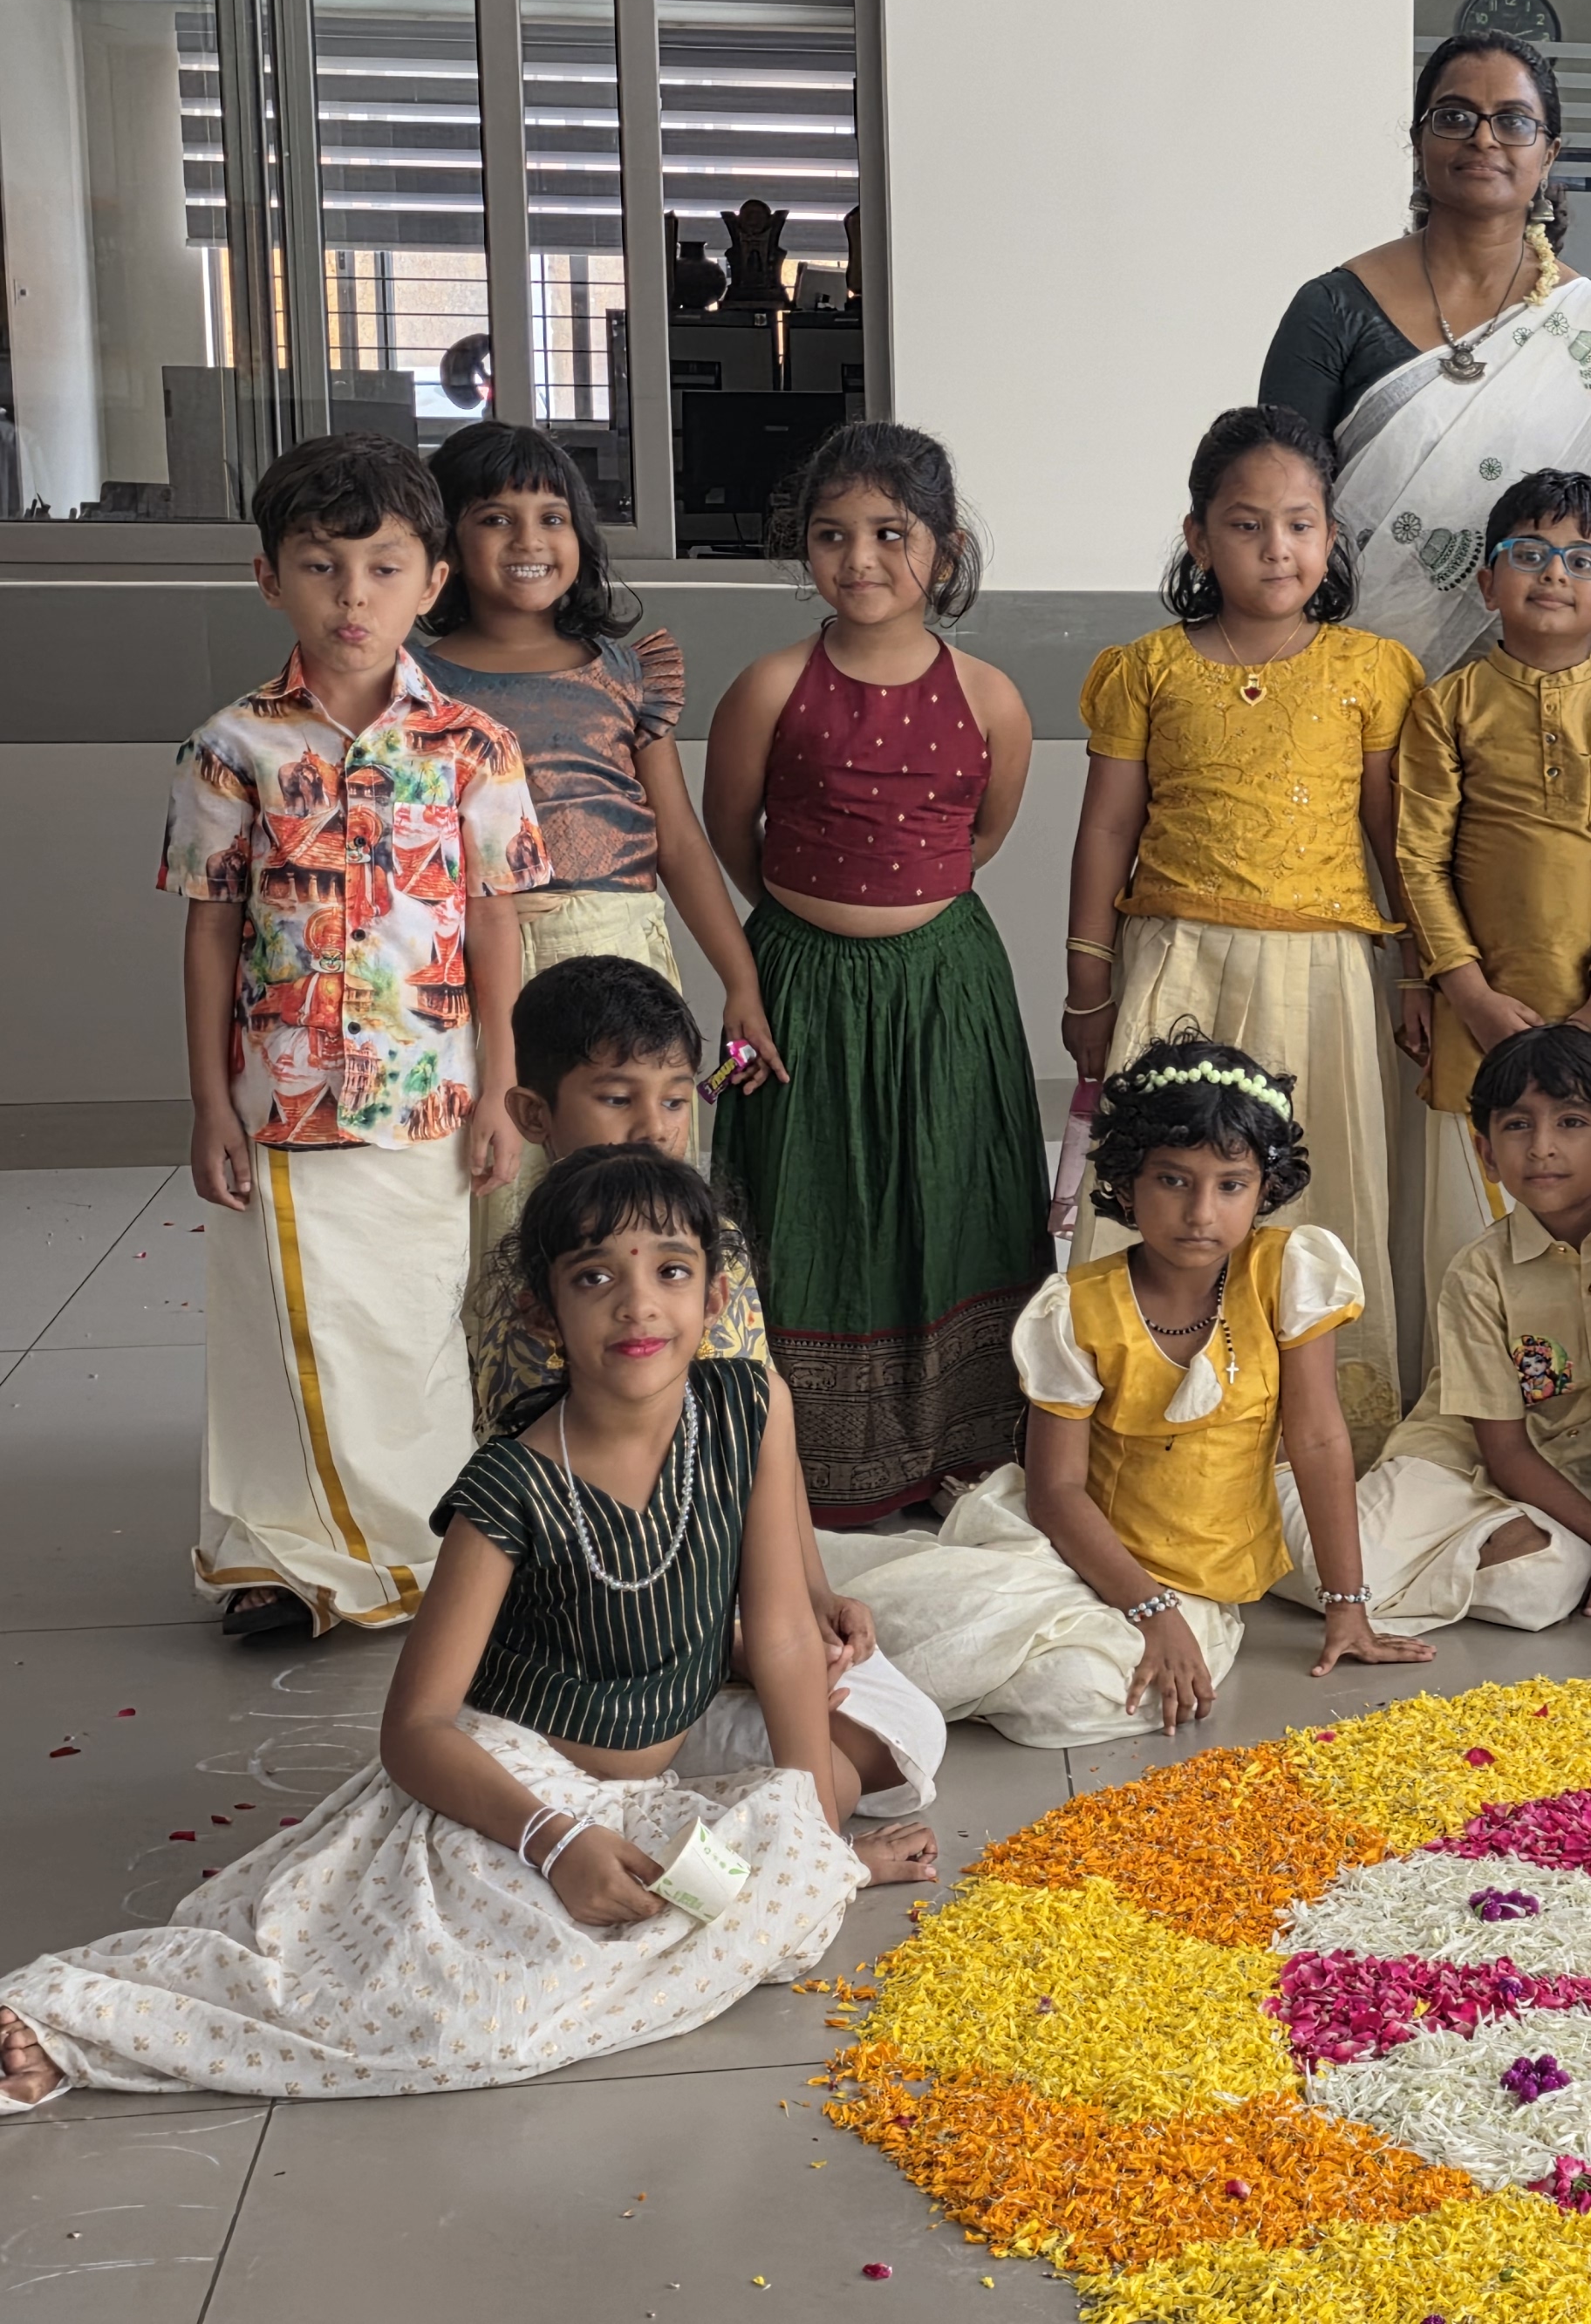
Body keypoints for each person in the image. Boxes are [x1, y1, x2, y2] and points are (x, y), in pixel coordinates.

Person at [0, 1149, 935, 2109]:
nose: (638, 1305)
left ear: (715, 1294)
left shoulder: (749, 1406)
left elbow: (782, 1637)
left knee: (828, 1796)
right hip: (514, 1793)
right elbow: (416, 1730)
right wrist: (555, 1843)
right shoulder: (509, 1486)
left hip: (655, 1779)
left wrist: (810, 1843)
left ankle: (803, 1870)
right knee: (468, 2013)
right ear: (544, 1314)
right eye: (594, 1278)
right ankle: (81, 2024)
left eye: (671, 1270)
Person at [165, 432, 548, 1643]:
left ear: (433, 580)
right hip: (279, 1102)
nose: (353, 597)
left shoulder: (475, 748)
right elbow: (211, 931)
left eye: (384, 568)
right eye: (321, 566)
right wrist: (209, 1102)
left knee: (409, 1327)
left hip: (428, 1098)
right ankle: (274, 1557)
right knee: (278, 1333)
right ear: (268, 577)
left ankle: (419, 1549)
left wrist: (502, 1087)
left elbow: (496, 924)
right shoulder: (230, 749)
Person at [812, 1037, 1434, 1749]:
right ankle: (794, 1657)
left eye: (1231, 1185)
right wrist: (1150, 1612)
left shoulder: (1288, 1274)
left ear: (1266, 1189)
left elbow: (1318, 1439)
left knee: (1081, 1692)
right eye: (1173, 1180)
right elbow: (1056, 1493)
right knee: (952, 1614)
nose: (1201, 1212)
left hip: (1200, 1586)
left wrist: (1347, 1607)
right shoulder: (1076, 1308)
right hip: (1075, 1552)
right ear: (1127, 1183)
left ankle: (865, 1674)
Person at [468, 956, 943, 1821]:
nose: (653, 1127)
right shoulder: (541, 1293)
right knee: (838, 1768)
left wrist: (812, 1596)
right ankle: (688, 1807)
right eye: (618, 1098)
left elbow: (761, 1447)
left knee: (907, 1736)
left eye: (676, 1098)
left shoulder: (708, 1238)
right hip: (615, 1656)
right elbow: (578, 1552)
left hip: (735, 1608)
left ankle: (737, 1797)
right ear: (535, 1114)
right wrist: (731, 1645)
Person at [1062, 406, 1425, 1450]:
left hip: (1324, 976)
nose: (1277, 549)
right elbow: (1106, 831)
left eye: (1301, 525)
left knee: (1315, 1194)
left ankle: (1313, 1427)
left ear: (1332, 536)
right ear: (1197, 539)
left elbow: (1395, 839)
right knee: (1168, 1181)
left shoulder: (1372, 669)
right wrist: (1088, 983)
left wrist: (1420, 974)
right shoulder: (1147, 669)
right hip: (1176, 963)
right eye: (1246, 524)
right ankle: (1147, 1414)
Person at [702, 422, 1043, 1523]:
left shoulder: (990, 697)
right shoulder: (767, 687)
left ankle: (958, 1444)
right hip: (795, 987)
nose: (860, 559)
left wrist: (904, 923)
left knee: (950, 1195)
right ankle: (799, 1460)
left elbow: (980, 839)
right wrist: (801, 939)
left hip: (947, 991)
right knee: (806, 1198)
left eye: (891, 534)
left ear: (944, 551)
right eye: (832, 535)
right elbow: (729, 834)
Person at [416, 417, 782, 1274]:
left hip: (620, 949)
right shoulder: (416, 684)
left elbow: (679, 841)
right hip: (476, 959)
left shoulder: (624, 673)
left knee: (634, 1171)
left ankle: (643, 1340)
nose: (529, 540)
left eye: (552, 517)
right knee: (502, 1176)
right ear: (446, 544)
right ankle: (512, 1351)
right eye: (495, 518)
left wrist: (740, 981)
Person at [1260, 32, 1591, 685]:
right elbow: (1273, 507)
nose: (1484, 139)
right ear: (1419, 142)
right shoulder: (1332, 309)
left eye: (1513, 121)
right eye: (1455, 116)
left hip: (1545, 699)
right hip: (1350, 687)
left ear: (1549, 154)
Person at [1293, 1026, 1591, 1636]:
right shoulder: (1478, 1272)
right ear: (1488, 1154)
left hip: (1585, 1482)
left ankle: (1485, 1543)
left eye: (1571, 1122)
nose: (1542, 1147)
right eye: (1518, 1125)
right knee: (1331, 1572)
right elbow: (1504, 1451)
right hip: (1455, 1460)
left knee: (1537, 1591)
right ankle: (1286, 1494)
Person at [1394, 465, 1591, 1278]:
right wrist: (1469, 993)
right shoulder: (1446, 708)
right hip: (1477, 1017)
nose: (1554, 575)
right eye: (1529, 555)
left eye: (1583, 561)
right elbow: (1418, 858)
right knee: (1470, 1244)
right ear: (1488, 584)